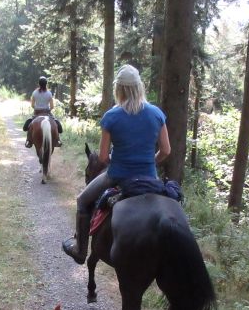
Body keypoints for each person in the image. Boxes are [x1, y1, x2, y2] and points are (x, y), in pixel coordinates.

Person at [62, 64, 171, 264]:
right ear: (140, 87)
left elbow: (103, 157)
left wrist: (116, 159)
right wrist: (149, 162)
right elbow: (166, 150)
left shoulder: (112, 116)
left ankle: (80, 249)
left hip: (117, 174)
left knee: (82, 200)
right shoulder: (156, 114)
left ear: (118, 89)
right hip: (149, 175)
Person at [23, 76, 63, 148]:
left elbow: (32, 105)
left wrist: (37, 107)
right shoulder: (49, 93)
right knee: (56, 123)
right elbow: (52, 106)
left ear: (39, 84)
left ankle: (28, 141)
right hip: (47, 112)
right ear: (46, 84)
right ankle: (57, 140)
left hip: (37, 112)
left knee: (29, 126)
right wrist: (48, 109)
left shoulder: (35, 93)